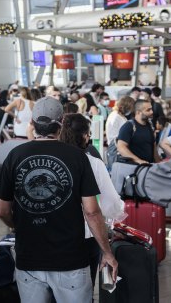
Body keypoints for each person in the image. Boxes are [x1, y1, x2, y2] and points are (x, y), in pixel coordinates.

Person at [0, 97, 118, 303]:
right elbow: (91, 211)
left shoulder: (14, 156)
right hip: (70, 260)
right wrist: (107, 252)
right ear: (61, 123)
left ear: (32, 124)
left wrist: (19, 225)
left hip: (29, 258)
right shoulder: (78, 157)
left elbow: (2, 211)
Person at [59, 114, 126, 287]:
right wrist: (118, 212)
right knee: (82, 290)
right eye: (88, 134)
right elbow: (109, 203)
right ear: (83, 135)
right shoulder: (93, 163)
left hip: (45, 235)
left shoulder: (48, 159)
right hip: (83, 236)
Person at [116, 99, 160, 165]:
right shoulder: (128, 126)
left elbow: (153, 147)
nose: (152, 112)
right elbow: (121, 147)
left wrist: (159, 164)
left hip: (148, 168)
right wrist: (138, 160)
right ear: (138, 112)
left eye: (151, 109)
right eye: (148, 110)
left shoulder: (150, 125)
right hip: (134, 169)